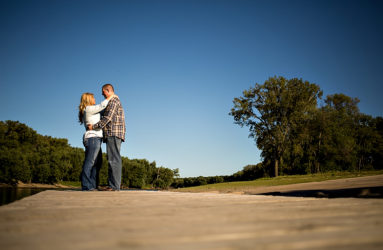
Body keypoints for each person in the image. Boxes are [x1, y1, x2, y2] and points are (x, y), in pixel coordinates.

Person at [88, 84, 126, 191]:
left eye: (103, 92)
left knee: (114, 159)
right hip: (113, 133)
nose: (102, 94)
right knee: (112, 159)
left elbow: (107, 118)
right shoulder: (113, 100)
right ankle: (112, 185)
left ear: (108, 90)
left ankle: (114, 186)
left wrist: (93, 127)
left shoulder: (113, 101)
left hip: (113, 133)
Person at [78, 92, 115, 191]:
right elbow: (102, 105)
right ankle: (86, 185)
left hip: (96, 139)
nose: (95, 99)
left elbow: (103, 111)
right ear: (89, 99)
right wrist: (113, 96)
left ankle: (93, 185)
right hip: (92, 138)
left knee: (97, 163)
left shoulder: (92, 110)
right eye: (93, 97)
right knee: (90, 162)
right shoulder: (89, 109)